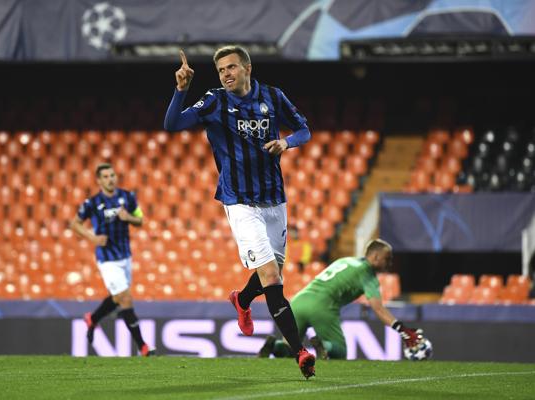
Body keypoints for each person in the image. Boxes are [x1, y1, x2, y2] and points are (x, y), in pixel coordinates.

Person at [164, 46, 316, 378]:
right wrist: (181, 90)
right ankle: (300, 352)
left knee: (270, 273)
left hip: (275, 200)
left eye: (232, 67)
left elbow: (304, 130)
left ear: (248, 67)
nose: (226, 74)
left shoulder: (273, 97)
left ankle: (242, 300)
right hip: (240, 202)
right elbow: (172, 124)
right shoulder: (215, 101)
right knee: (274, 279)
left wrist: (286, 143)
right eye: (221, 70)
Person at [258, 239, 423, 360]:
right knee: (340, 352)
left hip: (299, 301)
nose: (390, 263)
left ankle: (273, 345)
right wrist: (403, 330)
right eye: (387, 258)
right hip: (322, 306)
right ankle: (325, 346)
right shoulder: (367, 273)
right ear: (375, 256)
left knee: (291, 348)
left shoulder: (346, 260)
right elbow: (378, 308)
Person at [71, 163, 155, 357]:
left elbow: (140, 220)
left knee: (118, 298)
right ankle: (142, 346)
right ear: (99, 180)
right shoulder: (91, 203)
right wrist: (91, 237)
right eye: (106, 176)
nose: (110, 179)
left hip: (125, 255)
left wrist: (128, 218)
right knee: (125, 297)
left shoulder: (127, 197)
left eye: (112, 175)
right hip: (106, 258)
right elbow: (74, 224)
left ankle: (93, 318)